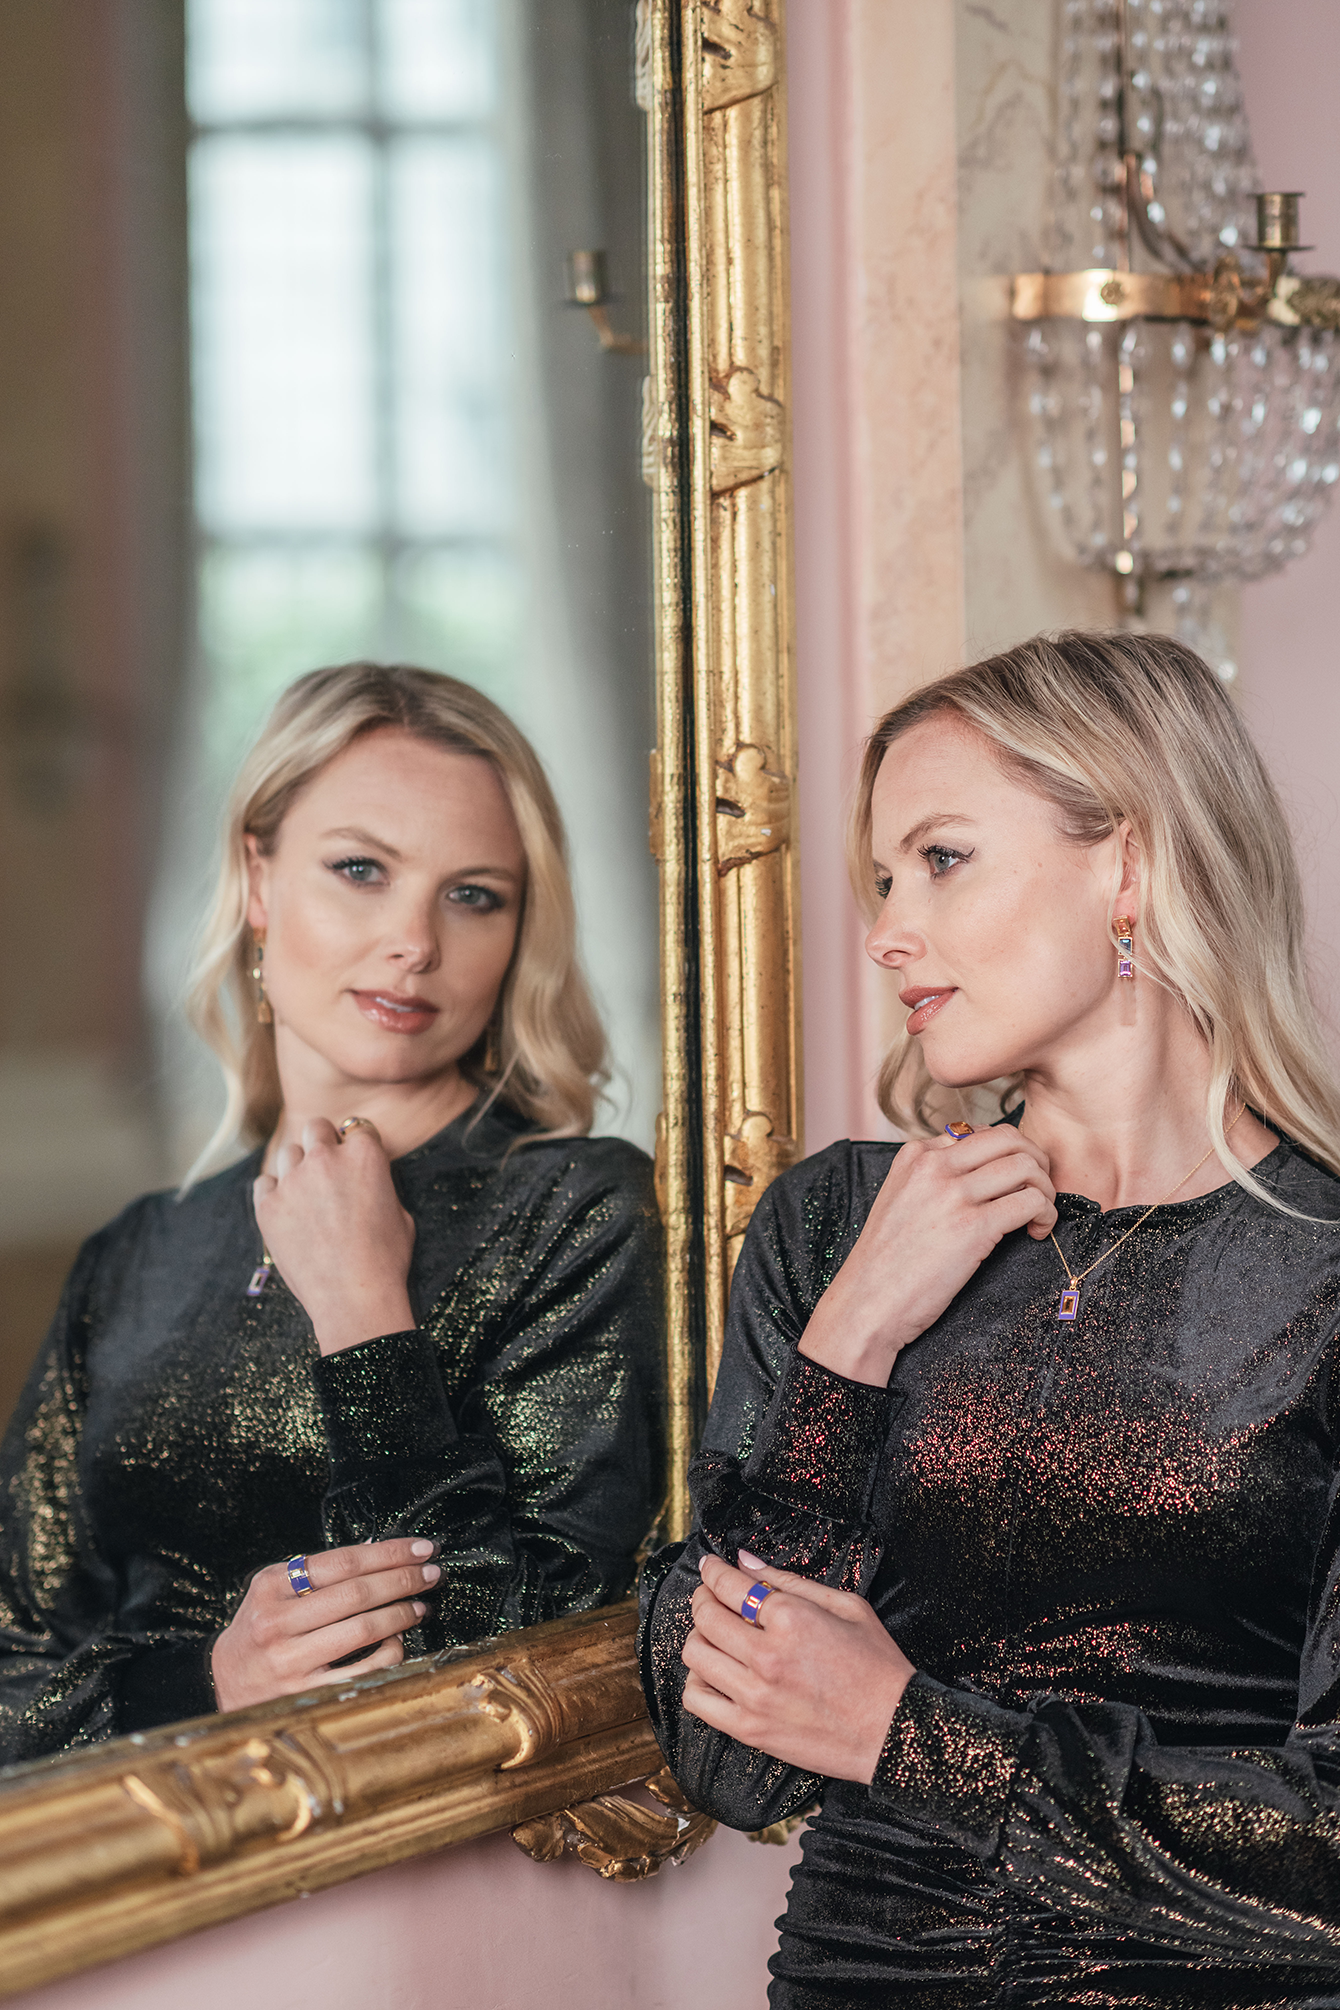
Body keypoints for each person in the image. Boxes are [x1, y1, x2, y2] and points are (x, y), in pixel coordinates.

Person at [641, 630, 1340, 2001]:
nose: (885, 932)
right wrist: (850, 1338)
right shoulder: (839, 1225)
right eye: (882, 879)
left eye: (942, 859)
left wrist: (908, 1736)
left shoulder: (1318, 1273)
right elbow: (724, 1756)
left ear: (1129, 865)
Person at [0, 663, 661, 1763]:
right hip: (136, 1857)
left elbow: (534, 1664)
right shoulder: (137, 1254)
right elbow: (12, 1665)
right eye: (361, 870)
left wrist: (363, 1311)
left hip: (422, 1860)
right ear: (258, 880)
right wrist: (212, 1680)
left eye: (473, 895)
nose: (415, 942)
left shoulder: (576, 1208)